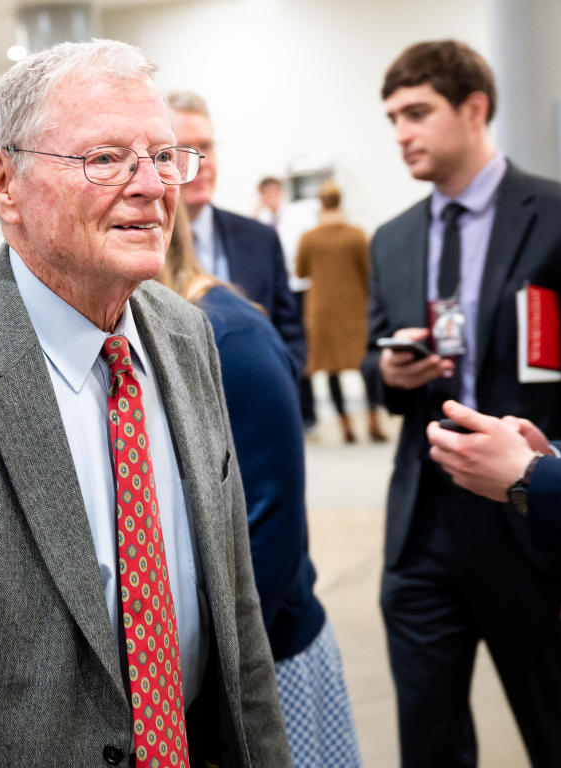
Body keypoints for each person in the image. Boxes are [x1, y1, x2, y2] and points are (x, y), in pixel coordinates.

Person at [0, 39, 289, 767]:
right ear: (3, 182)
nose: (153, 186)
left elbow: (236, 618)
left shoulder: (187, 337)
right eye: (105, 159)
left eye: (164, 156)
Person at [365, 39, 561, 767]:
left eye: (417, 112)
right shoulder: (393, 239)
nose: (402, 132)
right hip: (423, 527)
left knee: (560, 731)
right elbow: (375, 359)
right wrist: (390, 375)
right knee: (427, 739)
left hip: (529, 519)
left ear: (474, 108)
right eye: (392, 117)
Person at [160, 204, 362, 768]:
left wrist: (220, 674)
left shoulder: (230, 332)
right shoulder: (147, 330)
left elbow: (270, 527)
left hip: (268, 657)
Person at [167, 91, 306, 378]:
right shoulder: (143, 247)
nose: (201, 162)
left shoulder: (260, 239)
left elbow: (290, 333)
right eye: (183, 151)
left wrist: (276, 382)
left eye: (206, 147)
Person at [296, 180, 386, 444]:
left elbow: (301, 271)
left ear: (321, 204)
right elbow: (369, 271)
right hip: (355, 307)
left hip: (322, 309)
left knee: (331, 368)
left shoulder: (309, 237)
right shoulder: (357, 234)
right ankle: (372, 420)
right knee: (362, 363)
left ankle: (345, 424)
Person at [256, 176, 318, 430]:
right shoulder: (258, 222)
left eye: (274, 193)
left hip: (298, 289)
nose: (271, 199)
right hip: (273, 293)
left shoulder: (298, 216)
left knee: (299, 348)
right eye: (266, 194)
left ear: (280, 193)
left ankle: (308, 414)